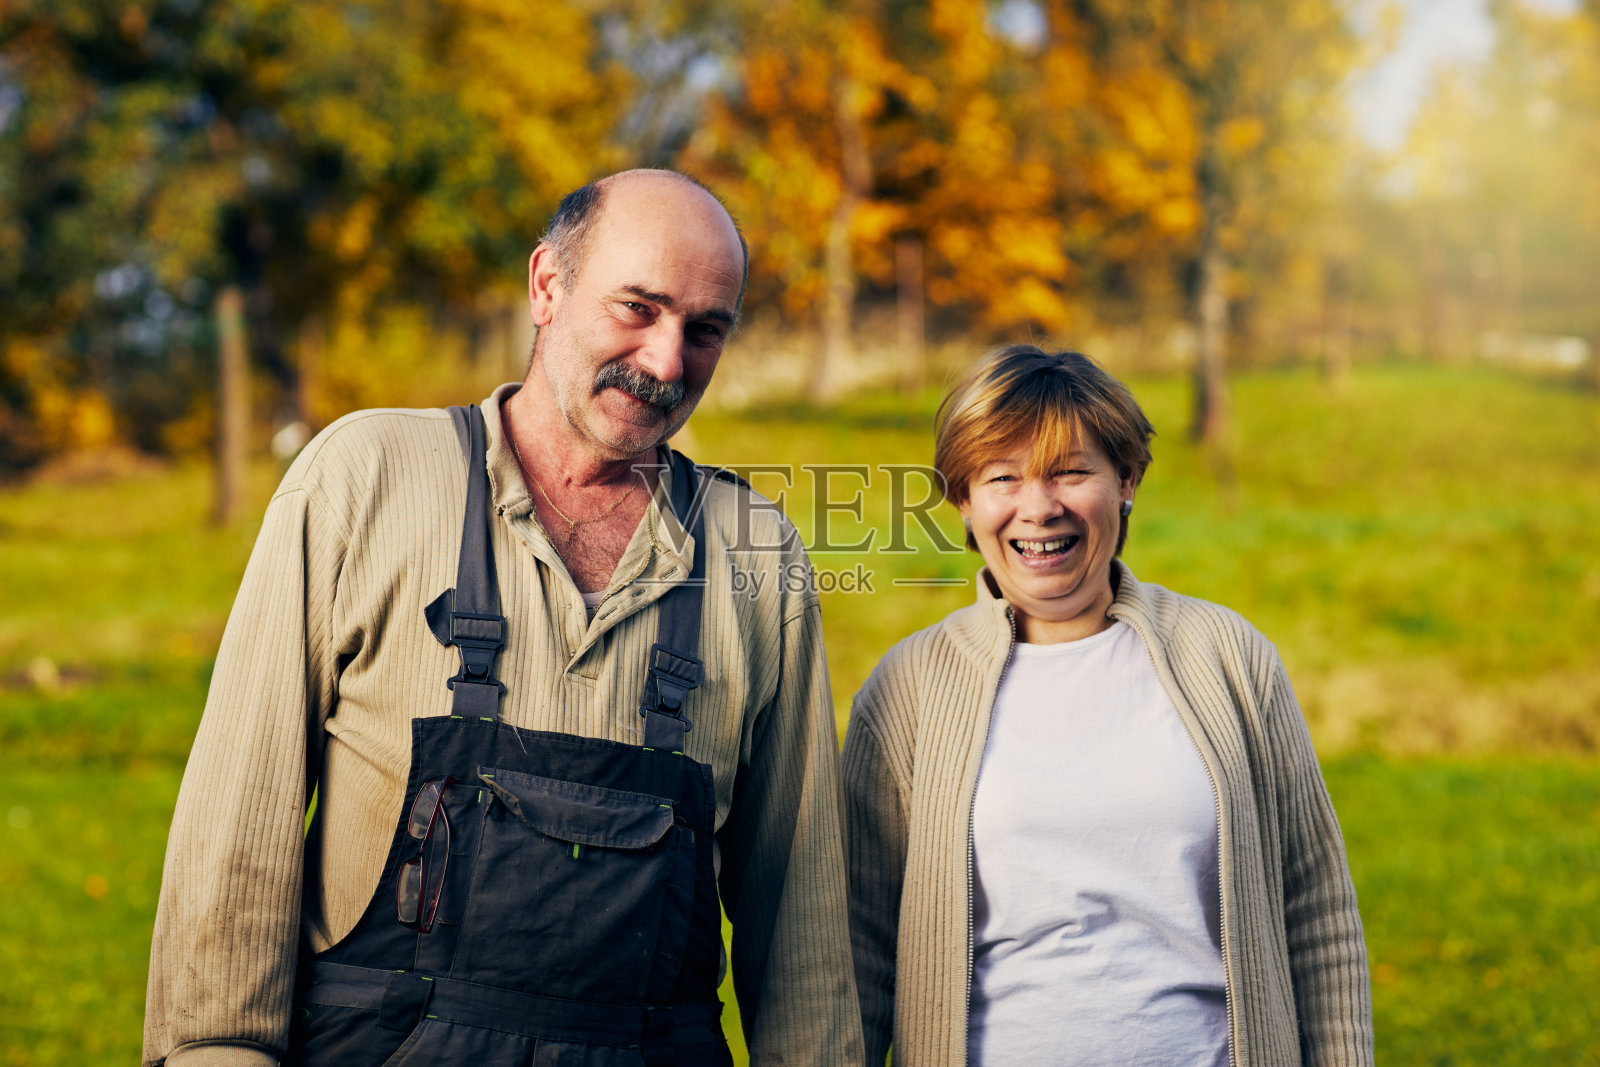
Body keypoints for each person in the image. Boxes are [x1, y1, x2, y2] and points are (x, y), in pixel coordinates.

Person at [144, 170, 863, 1066]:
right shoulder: (365, 478)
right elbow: (237, 821)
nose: (667, 361)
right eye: (638, 307)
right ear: (546, 286)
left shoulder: (758, 553)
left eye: (705, 329)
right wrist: (218, 1050)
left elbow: (801, 911)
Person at [843, 345, 1373, 1066]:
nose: (1040, 507)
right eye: (1003, 477)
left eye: (1070, 471)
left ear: (1126, 479)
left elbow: (1316, 909)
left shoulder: (1227, 656)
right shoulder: (908, 689)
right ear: (964, 500)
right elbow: (858, 950)